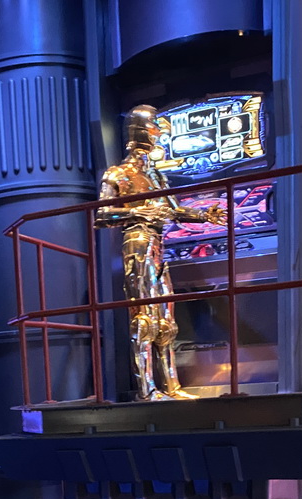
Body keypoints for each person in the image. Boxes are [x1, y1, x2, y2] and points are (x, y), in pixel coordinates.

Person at [96, 104, 225, 401]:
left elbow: (174, 211)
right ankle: (147, 392)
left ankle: (172, 387)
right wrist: (140, 210)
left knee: (167, 323)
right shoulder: (117, 173)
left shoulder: (156, 176)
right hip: (137, 242)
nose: (158, 133)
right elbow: (101, 216)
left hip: (157, 246)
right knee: (144, 321)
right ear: (141, 131)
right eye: (154, 127)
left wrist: (204, 215)